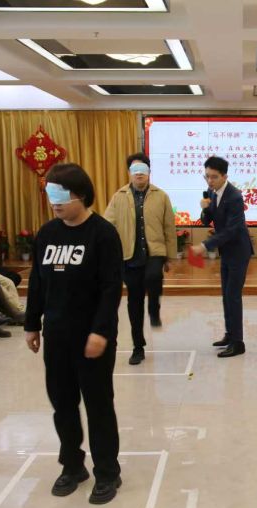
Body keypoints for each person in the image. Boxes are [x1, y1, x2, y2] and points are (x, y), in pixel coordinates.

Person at [25, 163, 123, 505]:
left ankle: (107, 472)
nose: (54, 202)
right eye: (50, 195)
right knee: (62, 404)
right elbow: (37, 281)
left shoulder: (103, 234)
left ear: (80, 194)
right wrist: (31, 323)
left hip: (92, 338)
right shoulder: (47, 234)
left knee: (98, 405)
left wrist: (100, 331)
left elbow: (111, 288)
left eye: (60, 195)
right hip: (57, 335)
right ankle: (72, 465)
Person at [104, 152, 177, 365]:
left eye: (143, 170)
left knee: (154, 277)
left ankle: (154, 309)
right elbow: (107, 226)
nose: (139, 174)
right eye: (135, 170)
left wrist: (170, 256)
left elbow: (169, 228)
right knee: (134, 302)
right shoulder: (118, 197)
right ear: (129, 173)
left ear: (149, 172)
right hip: (129, 256)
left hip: (155, 252)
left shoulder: (161, 196)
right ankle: (138, 346)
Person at [191, 156, 253, 358]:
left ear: (225, 176)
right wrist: (204, 209)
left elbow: (232, 230)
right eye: (207, 176)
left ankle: (238, 343)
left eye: (214, 177)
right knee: (226, 295)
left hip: (238, 251)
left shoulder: (234, 196)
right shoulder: (211, 191)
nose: (210, 181)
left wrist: (205, 245)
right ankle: (230, 334)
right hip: (226, 251)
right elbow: (206, 221)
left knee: (233, 296)